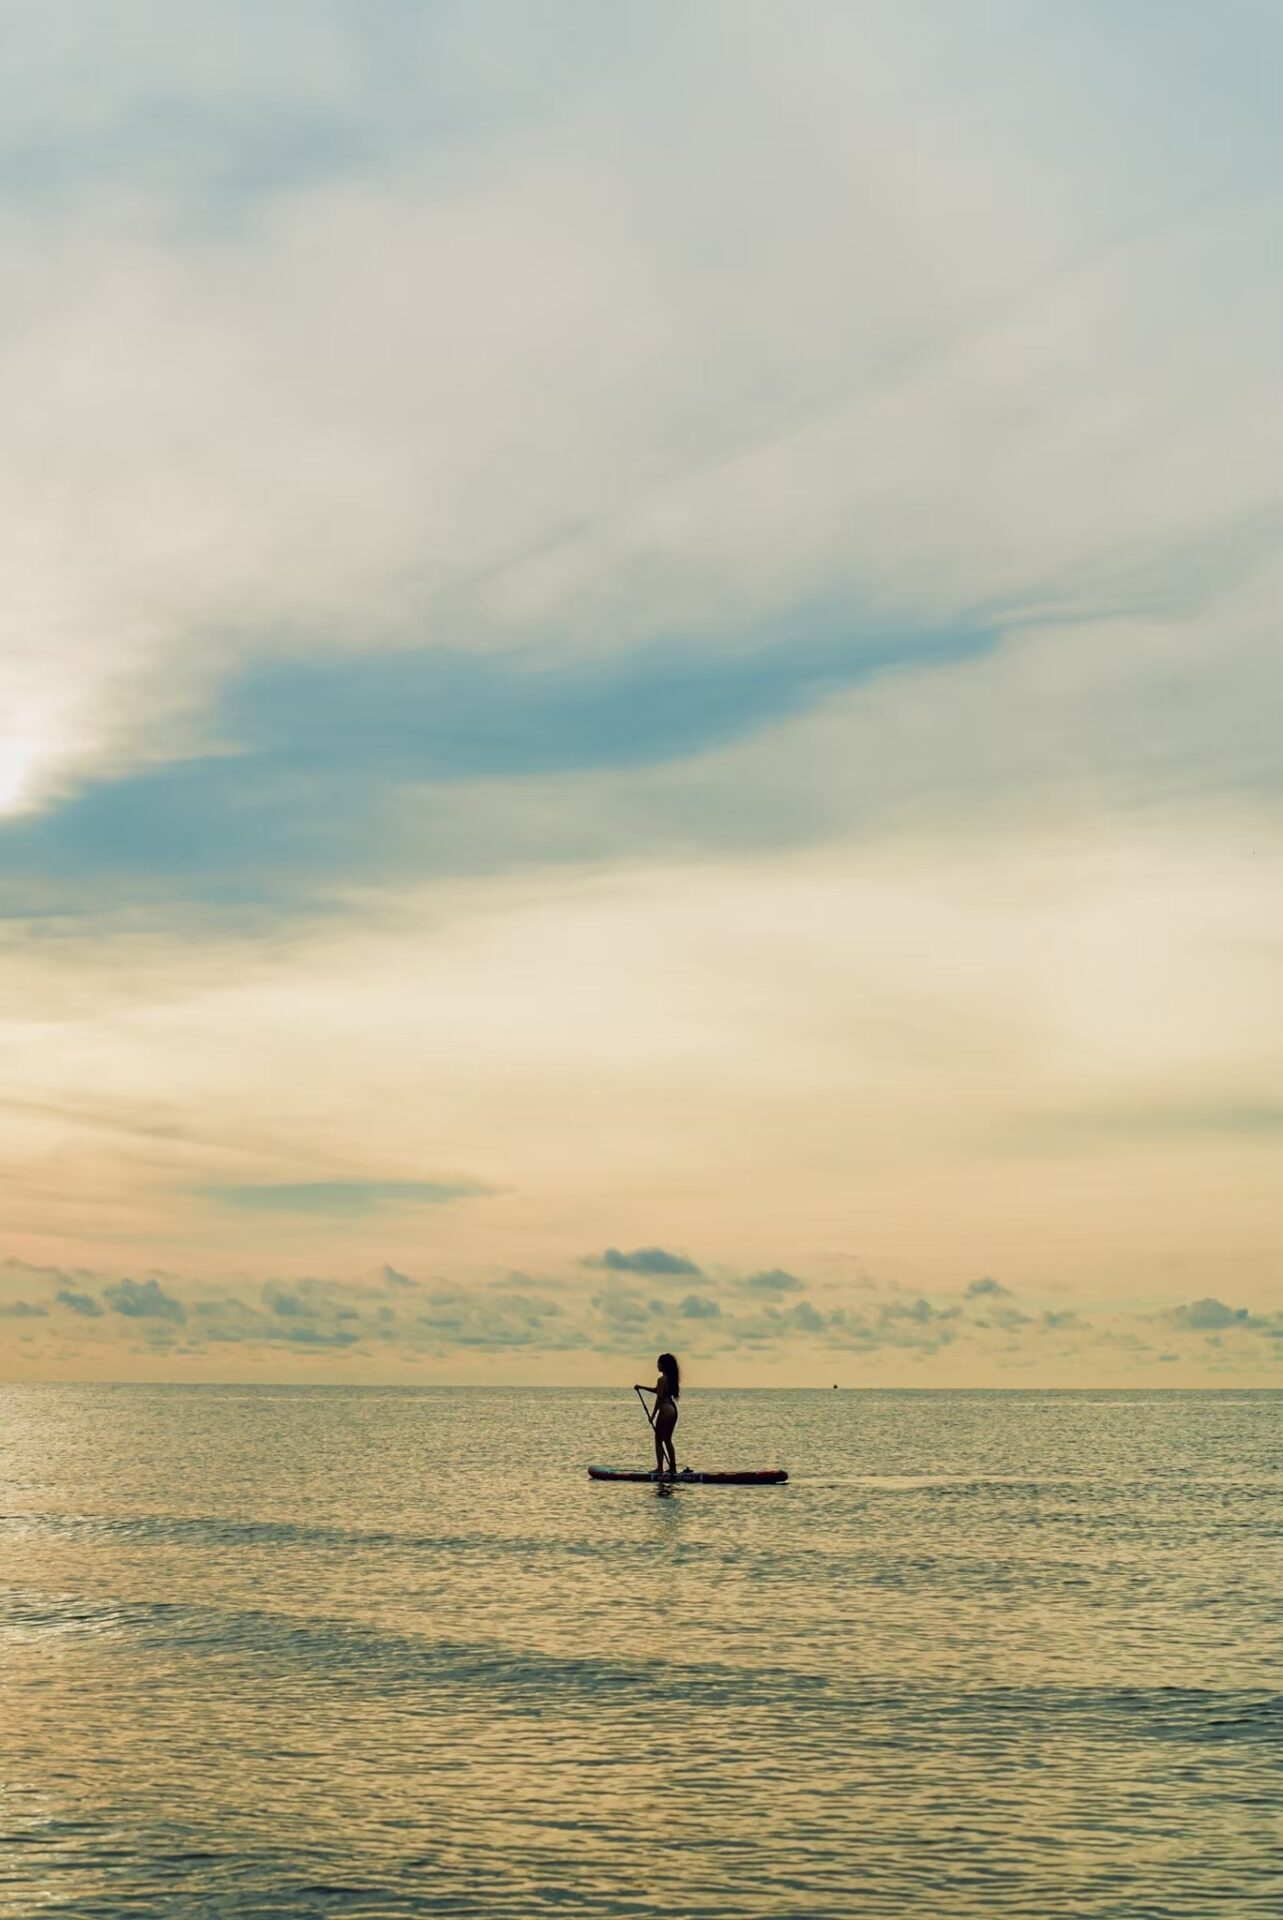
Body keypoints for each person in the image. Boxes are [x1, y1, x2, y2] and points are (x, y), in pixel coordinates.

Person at [636, 1352, 680, 1478]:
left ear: (663, 1365)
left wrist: (653, 1415)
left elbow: (659, 1398)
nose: (657, 1365)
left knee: (658, 1439)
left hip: (665, 1409)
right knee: (667, 1439)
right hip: (673, 1409)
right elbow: (657, 1391)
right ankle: (673, 1468)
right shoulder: (670, 1379)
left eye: (658, 1363)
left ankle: (660, 1468)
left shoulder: (661, 1379)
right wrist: (641, 1387)